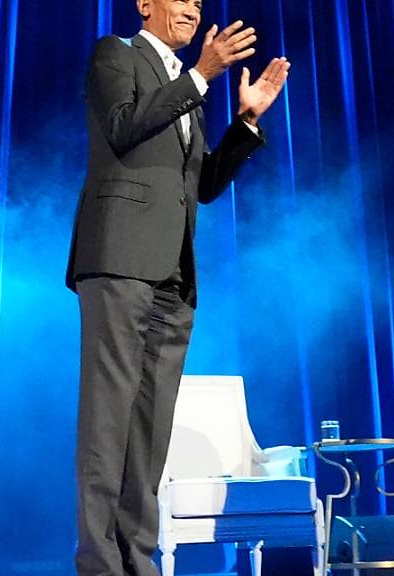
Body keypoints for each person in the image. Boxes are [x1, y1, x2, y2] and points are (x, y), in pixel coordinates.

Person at [65, 0, 289, 574]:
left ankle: (138, 561)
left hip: (175, 270)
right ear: (146, 4)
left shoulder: (189, 90)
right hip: (118, 258)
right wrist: (200, 75)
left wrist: (246, 123)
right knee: (108, 419)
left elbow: (202, 183)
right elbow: (122, 128)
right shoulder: (116, 54)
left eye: (197, 2)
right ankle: (98, 564)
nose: (192, 8)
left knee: (150, 428)